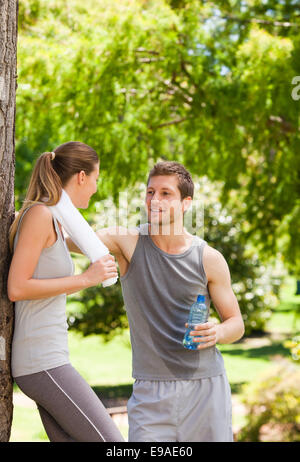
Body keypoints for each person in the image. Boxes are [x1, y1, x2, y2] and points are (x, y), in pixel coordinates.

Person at [68, 160, 245, 442]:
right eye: (150, 192)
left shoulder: (208, 258)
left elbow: (236, 323)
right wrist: (37, 212)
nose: (154, 200)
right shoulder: (127, 243)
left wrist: (218, 331)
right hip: (150, 391)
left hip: (205, 389)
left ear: (186, 203)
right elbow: (68, 239)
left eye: (166, 193)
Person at [7, 141, 124, 442]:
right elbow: (17, 287)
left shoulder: (56, 220)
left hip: (50, 357)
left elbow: (92, 239)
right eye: (96, 179)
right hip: (41, 361)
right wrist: (87, 279)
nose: (96, 189)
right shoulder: (40, 215)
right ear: (82, 177)